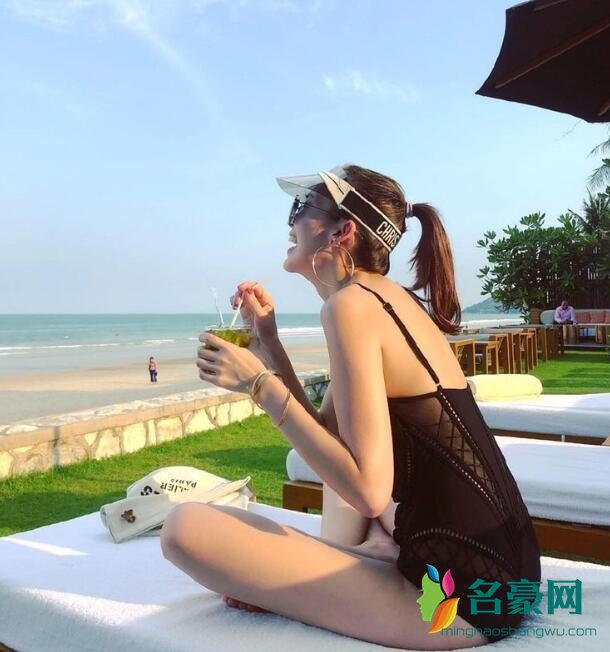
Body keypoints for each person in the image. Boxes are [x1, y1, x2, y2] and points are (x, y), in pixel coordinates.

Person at [160, 164, 540, 649]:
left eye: (302, 207)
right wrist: (269, 345)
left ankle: (339, 563)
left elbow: (367, 492)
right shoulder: (380, 299)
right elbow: (328, 437)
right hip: (506, 570)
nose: (291, 221)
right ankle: (355, 556)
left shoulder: (350, 307)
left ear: (342, 232)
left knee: (184, 529)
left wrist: (259, 385)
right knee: (330, 463)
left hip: (466, 599)